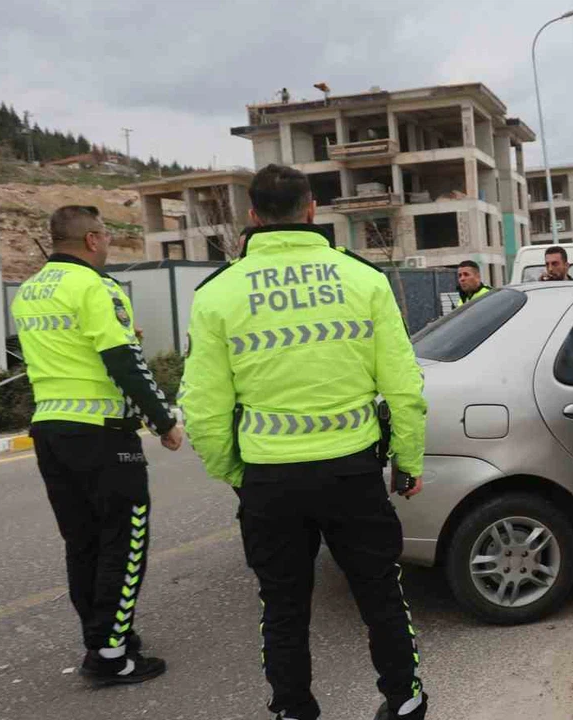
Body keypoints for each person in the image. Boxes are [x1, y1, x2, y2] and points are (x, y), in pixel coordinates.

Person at [180, 164, 429, 720]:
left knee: (283, 607)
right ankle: (405, 700)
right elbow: (405, 388)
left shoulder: (218, 294)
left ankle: (294, 710)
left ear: (252, 216)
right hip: (352, 474)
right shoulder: (363, 280)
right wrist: (407, 465)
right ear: (312, 209)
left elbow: (202, 410)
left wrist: (238, 474)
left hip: (270, 481)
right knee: (380, 594)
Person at [11, 205, 183, 686]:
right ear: (91, 239)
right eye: (105, 236)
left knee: (82, 542)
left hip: (50, 430)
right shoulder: (95, 286)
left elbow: (67, 352)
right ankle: (111, 654)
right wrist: (163, 419)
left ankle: (105, 635)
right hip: (102, 433)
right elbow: (123, 360)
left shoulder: (29, 291)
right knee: (124, 543)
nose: (107, 244)